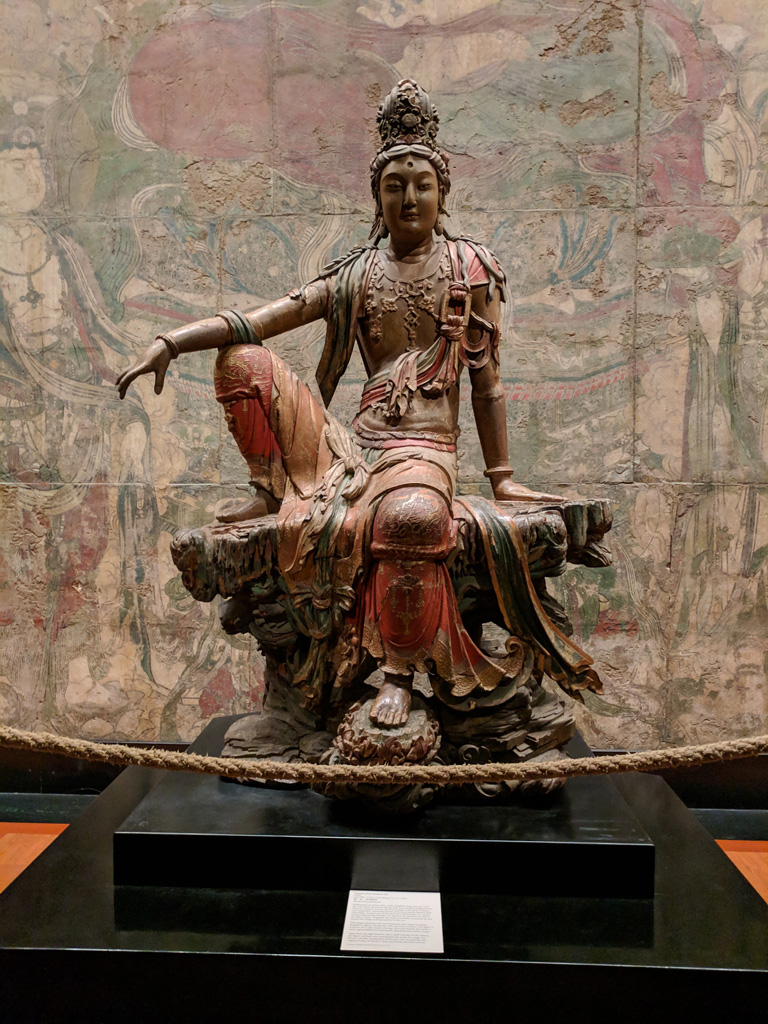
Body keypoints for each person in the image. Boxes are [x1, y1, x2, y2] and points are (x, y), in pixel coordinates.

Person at [117, 80, 598, 728]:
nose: (408, 199)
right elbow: (258, 322)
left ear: (442, 193)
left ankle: (398, 673)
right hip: (352, 449)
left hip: (423, 452)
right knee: (241, 361)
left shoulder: (470, 269)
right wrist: (171, 342)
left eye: (421, 185)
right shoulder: (355, 274)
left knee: (410, 518)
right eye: (394, 186)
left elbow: (487, 385)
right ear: (377, 196)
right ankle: (270, 488)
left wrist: (502, 479)